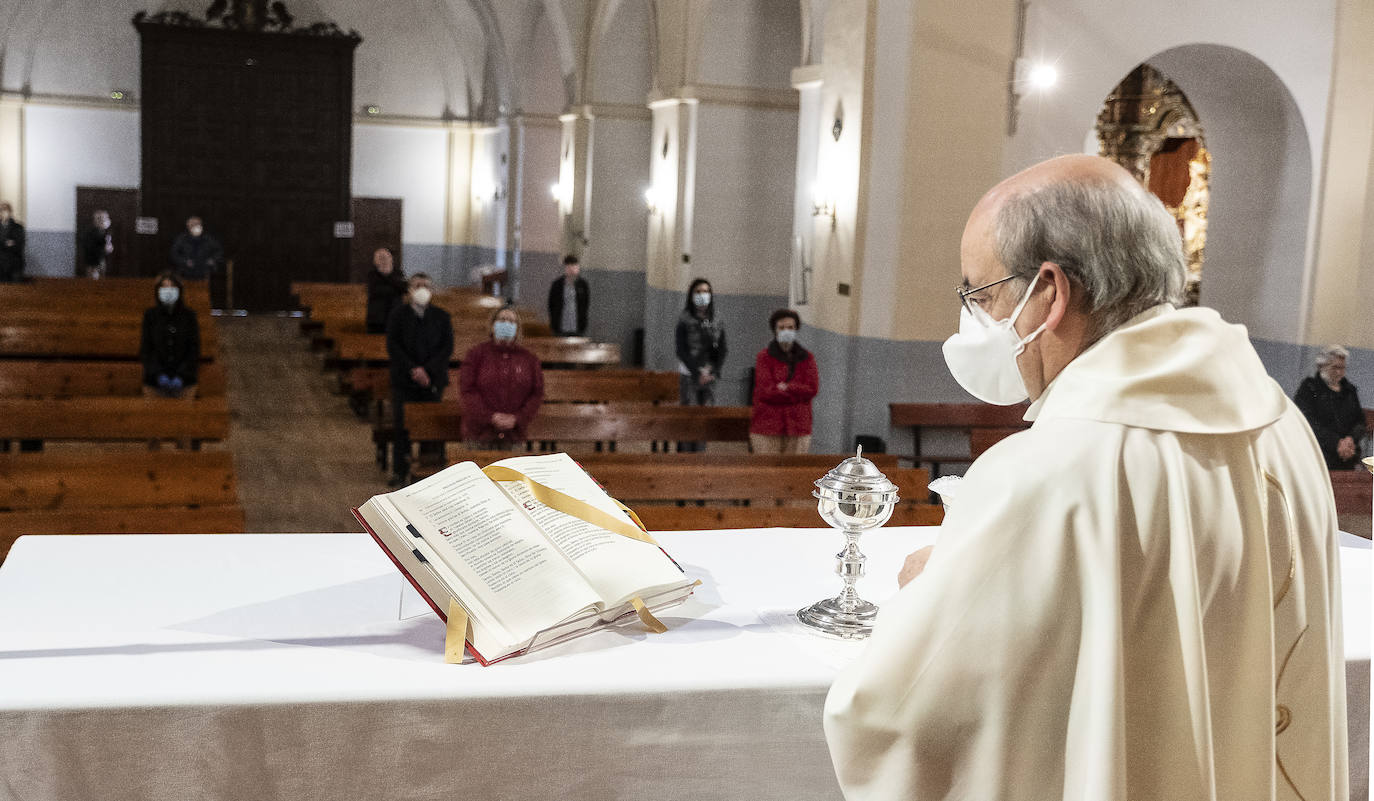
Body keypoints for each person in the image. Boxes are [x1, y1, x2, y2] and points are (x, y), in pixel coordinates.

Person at [824, 155, 1346, 801]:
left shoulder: (1047, 472)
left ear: (1050, 290)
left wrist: (929, 589)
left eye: (982, 295)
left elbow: (904, 719)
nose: (977, 318)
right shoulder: (1278, 419)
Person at [385, 273, 453, 486]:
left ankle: (428, 472)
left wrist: (428, 371)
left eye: (426, 285)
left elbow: (446, 348)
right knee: (402, 427)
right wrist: (414, 370)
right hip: (404, 380)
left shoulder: (442, 316)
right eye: (417, 285)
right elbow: (393, 346)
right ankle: (399, 470)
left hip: (432, 381)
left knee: (430, 427)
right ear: (410, 291)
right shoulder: (398, 315)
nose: (422, 289)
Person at [459, 306, 544, 450]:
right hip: (479, 434)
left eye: (511, 321)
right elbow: (468, 390)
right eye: (502, 320)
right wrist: (491, 417)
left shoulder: (529, 359)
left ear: (517, 329)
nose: (506, 324)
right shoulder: (476, 354)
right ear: (492, 326)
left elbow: (536, 393)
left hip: (514, 435)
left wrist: (517, 418)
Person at [749, 308, 818, 454]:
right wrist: (796, 393)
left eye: (790, 327)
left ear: (796, 329)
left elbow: (812, 389)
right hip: (768, 426)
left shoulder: (807, 358)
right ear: (775, 330)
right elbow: (766, 391)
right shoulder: (764, 357)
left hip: (798, 426)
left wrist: (787, 387)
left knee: (794, 472)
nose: (786, 331)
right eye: (782, 327)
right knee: (766, 473)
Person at [1294, 344, 1365, 469]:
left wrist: (1350, 440)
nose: (1339, 372)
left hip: (1347, 454)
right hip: (1318, 453)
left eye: (1343, 368)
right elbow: (1307, 422)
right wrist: (1336, 443)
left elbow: (1360, 421)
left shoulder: (1350, 390)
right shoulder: (1309, 388)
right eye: (1335, 367)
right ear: (1321, 366)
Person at [140, 272, 200, 399]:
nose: (168, 291)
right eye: (164, 287)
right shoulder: (150, 316)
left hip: (185, 382)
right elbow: (147, 349)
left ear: (179, 290)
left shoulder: (189, 316)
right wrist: (158, 374)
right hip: (155, 382)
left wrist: (181, 375)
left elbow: (193, 349)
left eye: (172, 287)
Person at [675, 278, 727, 406]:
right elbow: (681, 350)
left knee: (709, 415)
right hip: (690, 373)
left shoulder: (717, 319)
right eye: (698, 291)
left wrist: (714, 370)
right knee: (690, 415)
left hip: (710, 373)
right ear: (692, 295)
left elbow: (722, 348)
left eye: (706, 291)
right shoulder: (684, 319)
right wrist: (697, 372)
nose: (702, 295)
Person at [365, 247, 407, 334]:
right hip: (376, 321)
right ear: (375, 261)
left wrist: (388, 276)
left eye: (386, 257)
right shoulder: (372, 275)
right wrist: (394, 288)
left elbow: (404, 289)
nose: (384, 261)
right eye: (380, 258)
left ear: (391, 259)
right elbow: (375, 291)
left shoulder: (398, 273)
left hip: (395, 319)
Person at [547, 253, 590, 336]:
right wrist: (554, 320)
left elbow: (585, 305)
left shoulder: (583, 284)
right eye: (568, 266)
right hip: (560, 326)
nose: (571, 269)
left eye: (574, 266)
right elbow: (551, 305)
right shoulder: (557, 284)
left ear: (578, 267)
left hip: (577, 326)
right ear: (565, 268)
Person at [80, 209, 114, 279]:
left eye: (107, 218)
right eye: (103, 219)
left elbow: (106, 245)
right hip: (93, 262)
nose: (106, 221)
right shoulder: (90, 233)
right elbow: (90, 248)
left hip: (101, 260)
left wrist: (108, 247)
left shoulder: (104, 232)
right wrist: (104, 249)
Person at [0, 201, 25, 283]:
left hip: (14, 263)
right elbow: (11, 243)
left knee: (17, 288)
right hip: (0, 263)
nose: (4, 213)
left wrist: (3, 243)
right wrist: (6, 243)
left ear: (10, 212)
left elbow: (19, 245)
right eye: (1, 210)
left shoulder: (18, 227)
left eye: (6, 210)